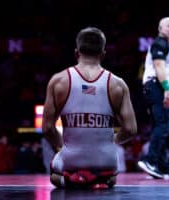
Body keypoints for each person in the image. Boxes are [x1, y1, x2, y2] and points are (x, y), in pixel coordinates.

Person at [42, 27, 137, 189]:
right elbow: (130, 129)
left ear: (76, 52)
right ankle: (101, 179)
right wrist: (110, 141)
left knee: (53, 174)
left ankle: (71, 180)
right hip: (105, 161)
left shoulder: (58, 81)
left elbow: (47, 128)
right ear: (103, 54)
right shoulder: (118, 84)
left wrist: (62, 145)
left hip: (72, 159)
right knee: (112, 178)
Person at [137, 17, 169, 179]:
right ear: (160, 28)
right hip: (157, 86)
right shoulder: (160, 43)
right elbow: (159, 66)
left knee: (159, 126)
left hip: (153, 87)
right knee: (163, 125)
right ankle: (150, 161)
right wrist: (167, 89)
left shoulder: (165, 44)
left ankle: (163, 166)